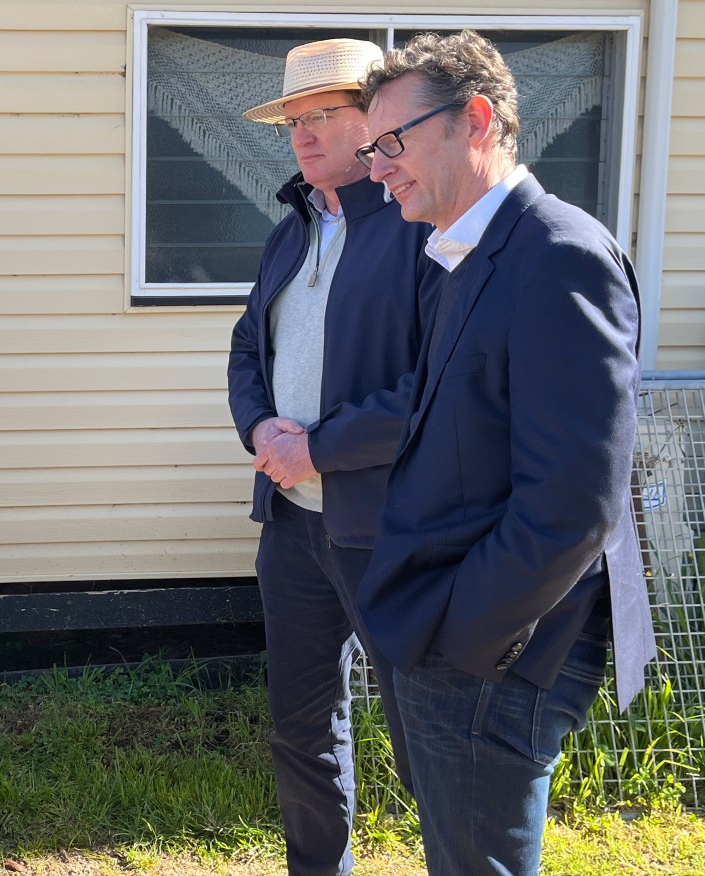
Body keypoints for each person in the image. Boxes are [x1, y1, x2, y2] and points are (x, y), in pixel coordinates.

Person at [356, 30, 656, 875]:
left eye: (392, 143)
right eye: (372, 147)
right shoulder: (465, 254)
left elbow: (571, 503)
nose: (377, 167)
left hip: (493, 657)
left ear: (475, 120)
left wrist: (468, 638)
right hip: (456, 642)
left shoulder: (555, 255)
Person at [227, 39, 432, 876]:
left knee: (426, 727)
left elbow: (434, 385)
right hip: (293, 528)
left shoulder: (420, 229)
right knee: (302, 727)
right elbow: (247, 350)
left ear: (377, 124)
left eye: (324, 117)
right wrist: (261, 434)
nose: (303, 137)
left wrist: (319, 446)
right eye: (293, 121)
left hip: (389, 528)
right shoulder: (292, 231)